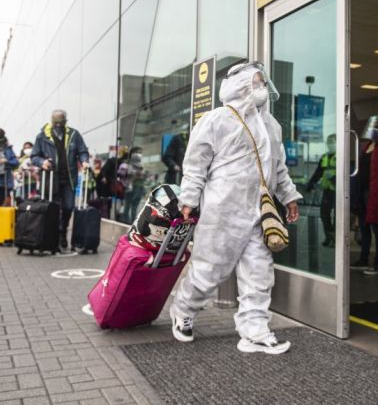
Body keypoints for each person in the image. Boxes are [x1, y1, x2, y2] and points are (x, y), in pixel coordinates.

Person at [170, 61, 301, 355]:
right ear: (240, 86)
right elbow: (195, 165)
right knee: (208, 271)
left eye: (263, 83)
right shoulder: (216, 120)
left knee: (259, 273)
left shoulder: (271, 125)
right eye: (256, 83)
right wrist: (189, 200)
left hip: (259, 212)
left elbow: (278, 168)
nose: (262, 88)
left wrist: (289, 196)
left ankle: (254, 331)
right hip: (223, 212)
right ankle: (183, 310)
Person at [31, 109, 89, 250]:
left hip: (68, 178)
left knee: (69, 207)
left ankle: (63, 231)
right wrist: (42, 162)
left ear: (65, 121)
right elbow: (34, 156)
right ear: (52, 121)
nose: (58, 125)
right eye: (55, 122)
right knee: (53, 209)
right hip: (51, 179)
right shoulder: (42, 137)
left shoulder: (74, 135)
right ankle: (54, 237)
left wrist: (84, 161)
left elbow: (82, 151)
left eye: (60, 122)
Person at [350, 115, 378, 275]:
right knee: (364, 227)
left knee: (377, 227)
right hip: (362, 191)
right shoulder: (366, 146)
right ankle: (363, 259)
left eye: (377, 126)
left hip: (375, 193)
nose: (373, 128)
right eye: (372, 125)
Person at [306, 134, 336, 247]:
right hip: (327, 190)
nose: (330, 144)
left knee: (338, 217)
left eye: (332, 142)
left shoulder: (342, 155)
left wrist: (335, 179)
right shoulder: (325, 157)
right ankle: (329, 236)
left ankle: (336, 239)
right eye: (329, 142)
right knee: (324, 215)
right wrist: (311, 184)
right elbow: (318, 172)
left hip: (338, 191)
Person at [118, 148, 146, 223]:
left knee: (135, 206)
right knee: (128, 205)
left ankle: (133, 221)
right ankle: (126, 220)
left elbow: (143, 177)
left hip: (139, 187)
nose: (139, 154)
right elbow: (123, 175)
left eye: (140, 152)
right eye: (137, 152)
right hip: (131, 187)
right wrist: (134, 175)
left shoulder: (141, 165)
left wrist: (142, 176)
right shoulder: (126, 165)